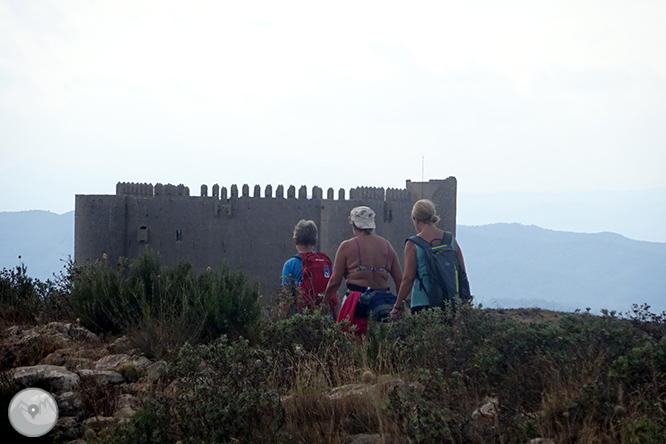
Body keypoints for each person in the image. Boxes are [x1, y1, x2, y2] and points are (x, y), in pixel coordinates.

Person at [322, 206, 403, 323]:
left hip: (356, 305)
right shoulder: (387, 246)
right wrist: (400, 305)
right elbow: (400, 281)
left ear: (353, 225)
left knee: (353, 339)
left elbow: (335, 281)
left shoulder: (346, 246)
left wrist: (324, 303)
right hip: (382, 306)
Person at [390, 199, 468, 319]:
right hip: (450, 302)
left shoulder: (413, 244)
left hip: (422, 302)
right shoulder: (450, 239)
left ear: (415, 218)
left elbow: (408, 277)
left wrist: (398, 305)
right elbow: (461, 270)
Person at [281, 219, 335, 313]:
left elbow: (286, 299)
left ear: (295, 240)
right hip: (323, 320)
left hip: (299, 320)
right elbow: (334, 295)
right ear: (315, 241)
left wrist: (279, 323)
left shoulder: (290, 265)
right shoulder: (325, 262)